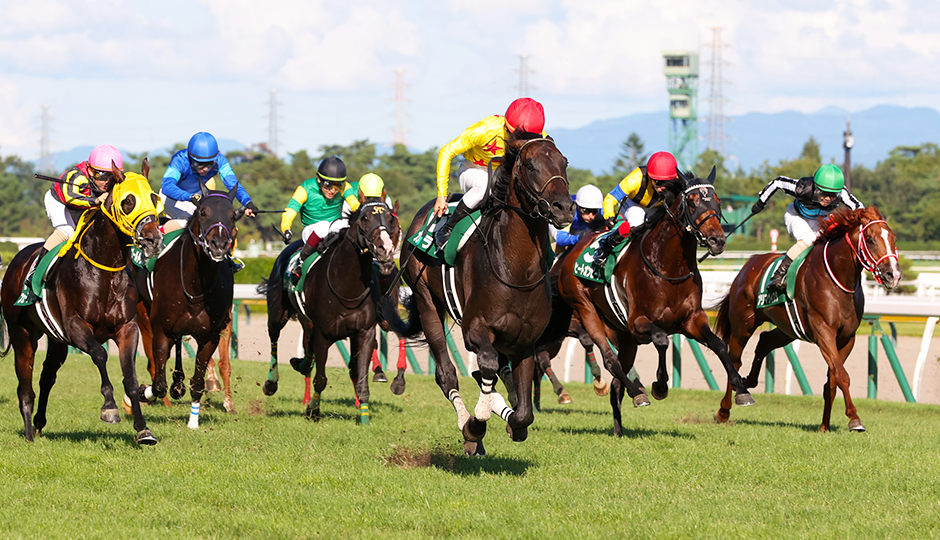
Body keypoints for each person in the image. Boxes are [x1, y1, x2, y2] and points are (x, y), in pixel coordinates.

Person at [433, 97, 546, 248]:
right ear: (506, 127)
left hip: (505, 175)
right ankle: (448, 228)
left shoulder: (540, 137)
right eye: (517, 136)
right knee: (486, 185)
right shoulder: (485, 129)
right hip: (474, 169)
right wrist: (442, 195)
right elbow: (446, 152)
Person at [22, 144, 124, 303]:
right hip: (60, 201)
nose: (107, 181)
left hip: (86, 203)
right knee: (67, 232)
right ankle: (35, 271)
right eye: (103, 176)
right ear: (90, 171)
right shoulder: (77, 177)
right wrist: (95, 200)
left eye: (112, 176)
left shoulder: (106, 180)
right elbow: (70, 198)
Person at [751, 163, 863, 291]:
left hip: (820, 219)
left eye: (832, 196)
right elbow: (778, 182)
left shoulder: (842, 192)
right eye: (824, 193)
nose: (827, 199)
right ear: (815, 187)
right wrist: (761, 201)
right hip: (796, 215)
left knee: (828, 242)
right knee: (808, 239)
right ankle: (778, 275)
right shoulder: (802, 187)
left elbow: (859, 207)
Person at [280, 158, 391, 277]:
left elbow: (353, 203)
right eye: (327, 185)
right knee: (322, 227)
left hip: (335, 226)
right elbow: (290, 212)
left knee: (348, 227)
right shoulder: (304, 189)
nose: (332, 190)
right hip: (312, 229)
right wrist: (286, 229)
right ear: (319, 179)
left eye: (337, 185)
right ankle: (301, 262)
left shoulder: (345, 187)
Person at [592, 151, 679, 270]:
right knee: (637, 220)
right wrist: (609, 215)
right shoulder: (636, 177)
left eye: (666, 182)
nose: (662, 187)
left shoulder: (676, 180)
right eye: (658, 182)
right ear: (649, 176)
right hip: (631, 203)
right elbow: (610, 198)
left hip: (653, 208)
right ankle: (606, 245)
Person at [160, 132, 258, 233]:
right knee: (190, 223)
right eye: (200, 165)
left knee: (210, 223)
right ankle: (160, 232)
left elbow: (233, 185)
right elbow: (167, 186)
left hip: (196, 197)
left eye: (210, 164)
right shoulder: (180, 159)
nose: (206, 169)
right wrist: (188, 196)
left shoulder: (220, 160)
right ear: (191, 159)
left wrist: (248, 202)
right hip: (172, 197)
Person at [551, 185, 607, 253]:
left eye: (595, 211)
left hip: (580, 230)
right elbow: (560, 240)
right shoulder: (569, 212)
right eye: (586, 210)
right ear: (578, 207)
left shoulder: (602, 210)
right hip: (559, 221)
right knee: (560, 247)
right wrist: (579, 238)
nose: (591, 216)